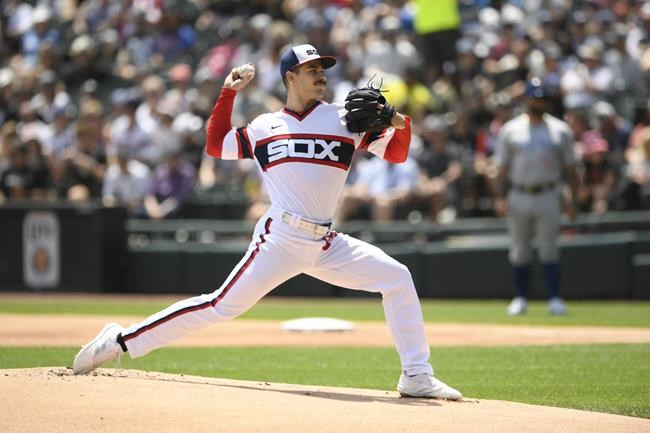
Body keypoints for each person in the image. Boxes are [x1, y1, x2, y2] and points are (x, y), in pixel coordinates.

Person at [72, 44, 462, 401]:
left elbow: (395, 154)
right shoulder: (263, 127)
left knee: (397, 277)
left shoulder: (344, 120)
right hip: (281, 238)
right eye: (311, 68)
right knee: (219, 305)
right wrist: (228, 93)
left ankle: (416, 375)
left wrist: (398, 120)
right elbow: (215, 145)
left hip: (326, 242)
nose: (321, 74)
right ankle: (120, 340)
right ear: (290, 77)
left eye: (323, 68)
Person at [494, 78, 580, 316]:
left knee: (549, 249)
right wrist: (499, 196)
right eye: (534, 98)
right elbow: (501, 169)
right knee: (520, 249)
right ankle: (520, 297)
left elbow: (571, 169)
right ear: (526, 100)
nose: (537, 102)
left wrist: (572, 199)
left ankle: (554, 297)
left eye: (541, 98)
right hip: (518, 192)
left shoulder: (560, 129)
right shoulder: (511, 129)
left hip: (549, 192)